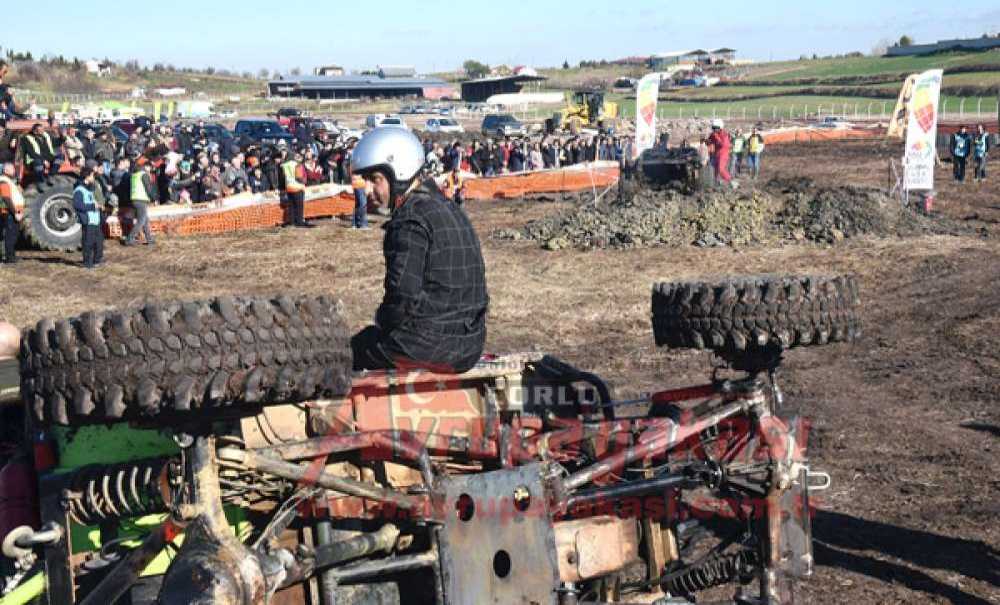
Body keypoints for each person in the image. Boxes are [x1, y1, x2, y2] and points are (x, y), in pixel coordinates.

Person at [348, 127, 488, 373]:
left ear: (399, 173)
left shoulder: (409, 220)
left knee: (348, 351)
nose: (367, 190)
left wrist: (382, 321)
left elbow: (402, 297)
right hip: (469, 345)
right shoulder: (451, 209)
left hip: (424, 348)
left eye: (375, 179)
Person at [73, 167, 104, 269]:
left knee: (98, 241)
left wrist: (98, 205)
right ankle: (87, 263)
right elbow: (77, 205)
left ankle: (97, 260)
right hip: (88, 219)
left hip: (95, 219)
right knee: (88, 242)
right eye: (92, 175)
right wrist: (93, 206)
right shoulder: (79, 190)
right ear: (87, 176)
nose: (93, 177)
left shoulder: (89, 188)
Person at [127, 160, 156, 245]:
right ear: (147, 166)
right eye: (150, 168)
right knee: (141, 221)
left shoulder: (135, 175)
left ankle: (149, 239)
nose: (150, 170)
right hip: (141, 199)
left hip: (135, 198)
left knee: (145, 220)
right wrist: (153, 198)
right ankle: (130, 238)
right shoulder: (144, 175)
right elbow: (148, 188)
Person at [281, 150, 312, 227]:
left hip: (289, 187)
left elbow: (283, 177)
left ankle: (291, 221)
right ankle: (299, 221)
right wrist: (304, 182)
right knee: (299, 206)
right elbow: (298, 177)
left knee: (291, 206)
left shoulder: (284, 165)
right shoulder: (297, 165)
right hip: (298, 187)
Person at [0, 162, 23, 265]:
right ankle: (9, 258)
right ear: (6, 170)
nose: (14, 171)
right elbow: (6, 198)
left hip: (14, 211)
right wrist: (15, 213)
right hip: (10, 212)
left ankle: (12, 256)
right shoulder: (3, 181)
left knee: (13, 235)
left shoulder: (9, 181)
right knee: (10, 235)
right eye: (12, 169)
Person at [706, 119, 733, 187]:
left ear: (720, 128)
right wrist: (707, 141)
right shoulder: (713, 134)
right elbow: (709, 142)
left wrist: (716, 137)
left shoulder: (724, 135)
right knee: (715, 169)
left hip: (723, 154)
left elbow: (724, 145)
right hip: (716, 153)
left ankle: (730, 181)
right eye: (713, 128)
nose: (714, 130)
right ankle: (716, 183)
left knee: (721, 169)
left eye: (715, 128)